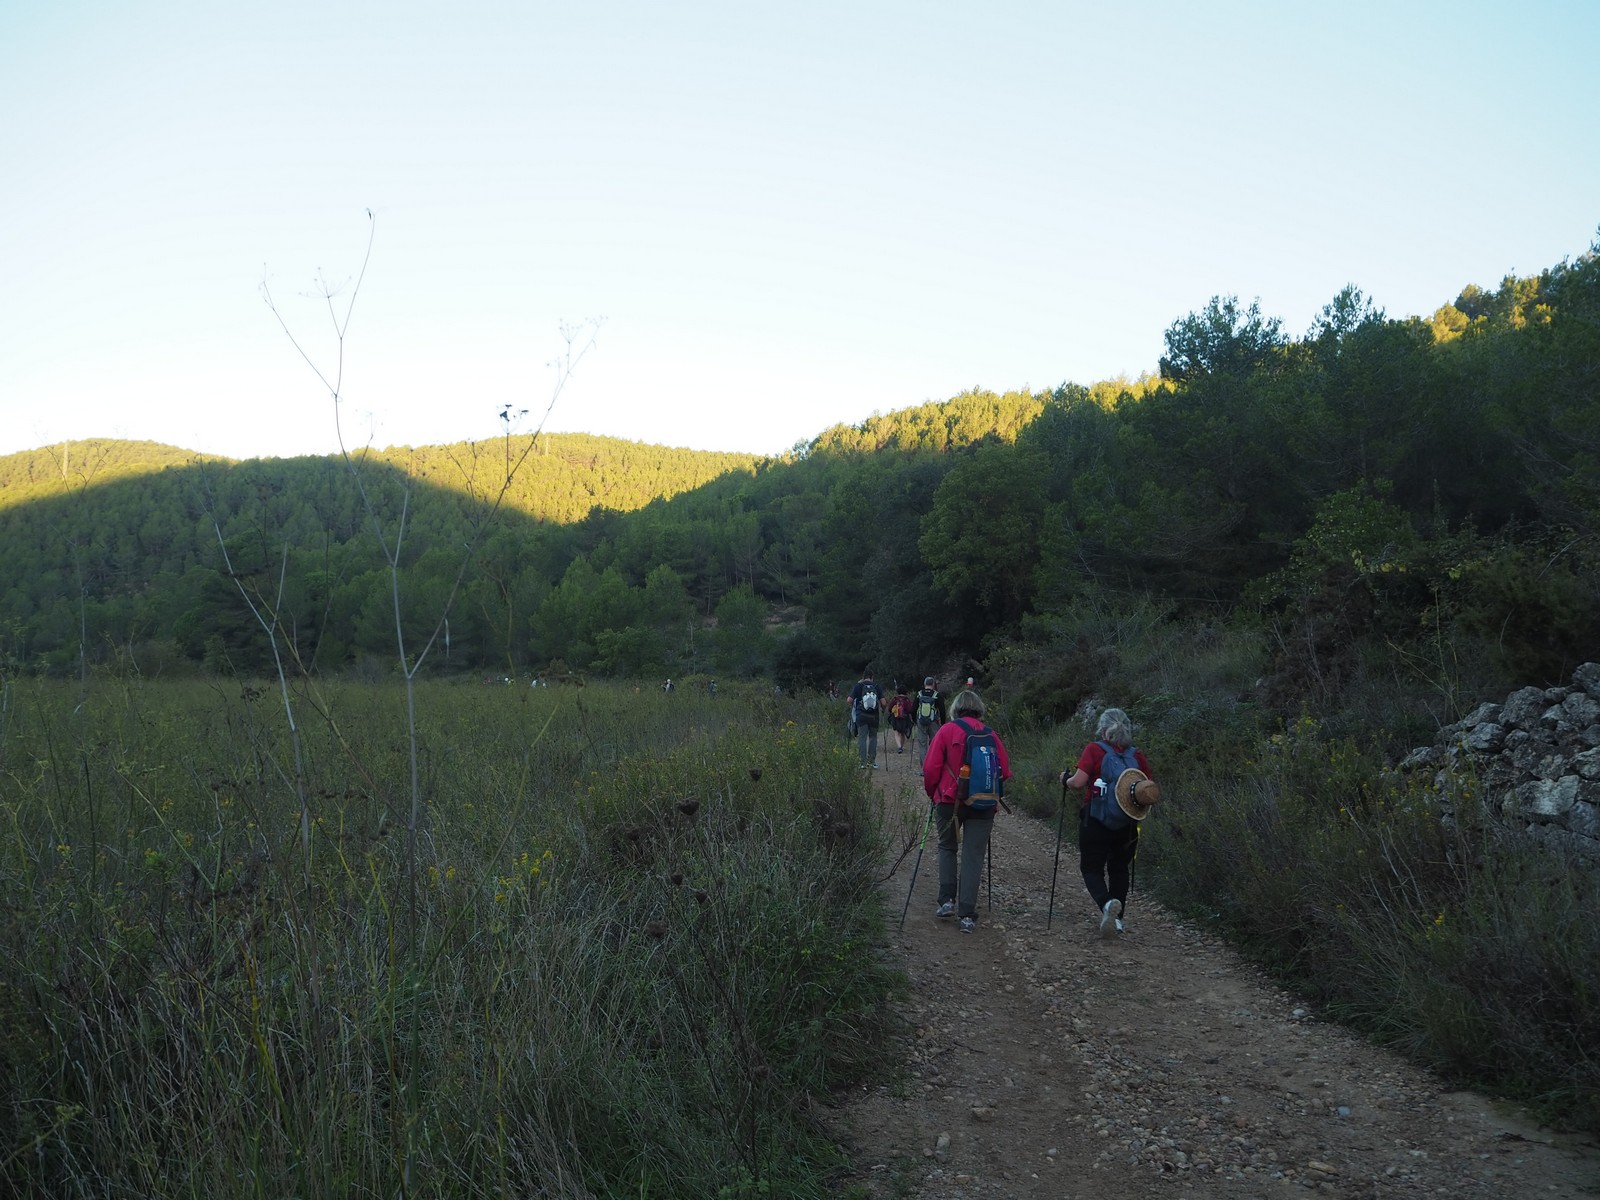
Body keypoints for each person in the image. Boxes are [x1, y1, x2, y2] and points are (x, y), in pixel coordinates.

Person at [1060, 707, 1155, 938]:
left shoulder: (1095, 749)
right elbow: (1147, 788)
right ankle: (1118, 921)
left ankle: (1106, 904)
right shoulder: (1137, 755)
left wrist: (1065, 779)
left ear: (1103, 730)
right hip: (1128, 823)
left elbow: (1078, 782)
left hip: (1096, 820)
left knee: (1091, 868)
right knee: (1119, 869)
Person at [923, 689, 1011, 932]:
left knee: (947, 846)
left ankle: (946, 901)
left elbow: (930, 769)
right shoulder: (990, 734)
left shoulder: (946, 731)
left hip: (948, 800)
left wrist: (933, 794)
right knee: (973, 855)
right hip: (983, 804)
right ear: (979, 709)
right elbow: (1005, 771)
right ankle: (967, 915)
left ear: (956, 708)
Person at [848, 669, 884, 767]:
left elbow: (849, 700)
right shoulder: (876, 686)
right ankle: (871, 761)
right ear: (872, 677)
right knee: (873, 737)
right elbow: (884, 702)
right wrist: (883, 709)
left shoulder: (858, 686)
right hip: (874, 717)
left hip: (861, 716)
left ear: (863, 677)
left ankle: (862, 762)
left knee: (862, 738)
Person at [912, 676, 946, 763]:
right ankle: (933, 764)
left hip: (921, 721)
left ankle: (924, 766)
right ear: (933, 684)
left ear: (924, 684)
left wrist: (914, 720)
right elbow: (942, 711)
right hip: (934, 722)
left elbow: (913, 709)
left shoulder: (919, 694)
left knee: (922, 744)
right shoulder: (937, 695)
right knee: (934, 743)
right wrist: (943, 723)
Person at [888, 682, 913, 753]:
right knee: (902, 733)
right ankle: (901, 746)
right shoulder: (907, 700)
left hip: (895, 718)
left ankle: (899, 747)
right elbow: (910, 710)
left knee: (897, 733)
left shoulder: (895, 699)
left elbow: (889, 708)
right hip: (905, 718)